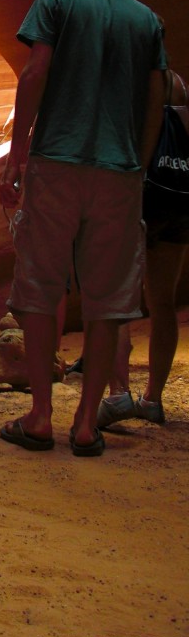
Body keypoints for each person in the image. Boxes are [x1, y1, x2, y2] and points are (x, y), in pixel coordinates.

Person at [0, 0, 166, 457]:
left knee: (41, 288)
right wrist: (136, 165)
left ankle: (41, 417)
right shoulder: (148, 20)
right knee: (106, 299)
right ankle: (87, 424)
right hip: (118, 172)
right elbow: (155, 96)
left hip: (56, 162)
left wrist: (17, 153)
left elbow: (35, 72)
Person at [98, 67, 189, 428]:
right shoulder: (180, 85)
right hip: (179, 200)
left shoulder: (133, 79)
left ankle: (118, 392)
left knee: (116, 297)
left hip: (140, 196)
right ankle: (153, 398)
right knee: (162, 301)